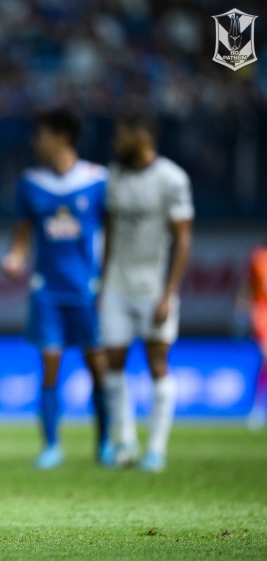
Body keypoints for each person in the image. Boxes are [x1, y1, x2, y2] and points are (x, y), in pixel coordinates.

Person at [2, 109, 109, 470]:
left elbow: (112, 233)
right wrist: (15, 257)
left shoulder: (97, 180)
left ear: (61, 137)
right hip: (47, 289)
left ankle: (105, 444)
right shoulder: (31, 183)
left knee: (97, 366)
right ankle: (51, 446)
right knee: (49, 365)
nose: (36, 142)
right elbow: (22, 234)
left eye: (41, 135)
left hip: (87, 288)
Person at [100, 112, 194, 472]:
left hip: (154, 287)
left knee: (157, 362)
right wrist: (102, 282)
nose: (115, 143)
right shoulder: (115, 177)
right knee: (113, 362)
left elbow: (183, 238)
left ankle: (156, 449)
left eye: (120, 135)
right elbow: (109, 231)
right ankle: (124, 442)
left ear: (140, 137)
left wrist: (169, 293)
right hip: (116, 285)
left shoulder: (172, 178)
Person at [238, 242, 267, 431]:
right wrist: (242, 306)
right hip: (262, 313)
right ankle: (258, 407)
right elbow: (247, 285)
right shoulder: (259, 257)